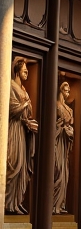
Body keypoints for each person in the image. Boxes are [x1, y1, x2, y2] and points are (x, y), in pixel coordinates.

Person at [4, 56, 37, 215]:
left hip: (23, 131)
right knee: (13, 163)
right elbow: (10, 109)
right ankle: (6, 204)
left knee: (22, 166)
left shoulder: (23, 89)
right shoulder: (10, 85)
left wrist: (29, 122)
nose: (27, 73)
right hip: (13, 130)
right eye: (25, 70)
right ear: (17, 70)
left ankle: (16, 203)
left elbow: (27, 113)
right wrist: (24, 104)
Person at [53, 80, 74, 215]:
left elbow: (70, 125)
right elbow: (52, 124)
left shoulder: (70, 109)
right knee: (58, 171)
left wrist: (71, 132)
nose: (68, 92)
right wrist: (59, 126)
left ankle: (59, 205)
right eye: (66, 90)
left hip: (65, 142)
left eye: (69, 90)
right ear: (60, 90)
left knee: (65, 173)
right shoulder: (56, 105)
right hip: (57, 140)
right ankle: (53, 205)